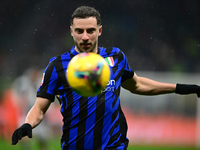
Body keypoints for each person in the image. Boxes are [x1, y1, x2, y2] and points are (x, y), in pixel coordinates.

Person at [12, 6, 200, 150]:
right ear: (71, 31)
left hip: (114, 144)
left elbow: (138, 84)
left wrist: (179, 88)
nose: (85, 37)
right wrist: (28, 124)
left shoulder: (116, 57)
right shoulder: (58, 66)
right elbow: (40, 106)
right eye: (79, 31)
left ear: (99, 31)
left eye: (90, 31)